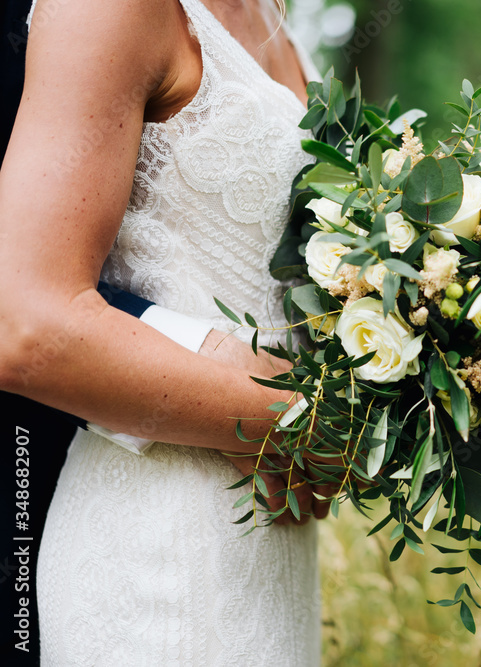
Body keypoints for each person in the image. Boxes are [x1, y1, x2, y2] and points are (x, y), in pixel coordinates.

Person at [0, 0, 329, 662]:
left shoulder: (282, 21)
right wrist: (288, 423)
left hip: (275, 547)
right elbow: (24, 324)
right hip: (155, 545)